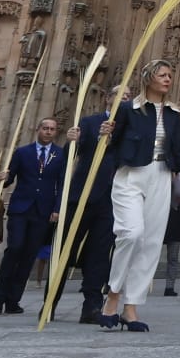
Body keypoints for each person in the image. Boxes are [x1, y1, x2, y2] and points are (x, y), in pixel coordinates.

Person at [99, 60, 180, 332]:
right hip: (130, 175)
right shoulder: (130, 109)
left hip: (161, 176)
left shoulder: (174, 114)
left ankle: (131, 307)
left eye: (170, 75)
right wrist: (105, 135)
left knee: (150, 243)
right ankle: (113, 294)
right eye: (162, 74)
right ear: (148, 78)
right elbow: (113, 144)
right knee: (131, 233)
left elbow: (179, 149)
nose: (167, 79)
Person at [0, 117, 75, 316]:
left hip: (43, 211)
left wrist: (57, 209)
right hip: (20, 208)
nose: (48, 131)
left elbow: (62, 183)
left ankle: (13, 300)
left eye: (52, 129)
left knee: (29, 255)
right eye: (45, 128)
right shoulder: (22, 152)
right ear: (38, 129)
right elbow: (10, 178)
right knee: (15, 249)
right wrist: (3, 178)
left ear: (56, 132)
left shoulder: (60, 155)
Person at [64, 108, 118, 325]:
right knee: (65, 251)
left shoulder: (130, 126)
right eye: (119, 96)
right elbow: (72, 152)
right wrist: (72, 141)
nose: (124, 100)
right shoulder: (90, 122)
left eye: (127, 97)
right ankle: (50, 301)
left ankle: (92, 307)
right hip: (82, 196)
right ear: (108, 99)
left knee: (99, 255)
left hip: (112, 198)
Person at [161, 197, 180, 297]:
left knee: (173, 258)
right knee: (150, 257)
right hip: (159, 228)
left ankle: (169, 287)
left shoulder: (179, 189)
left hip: (175, 228)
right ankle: (143, 285)